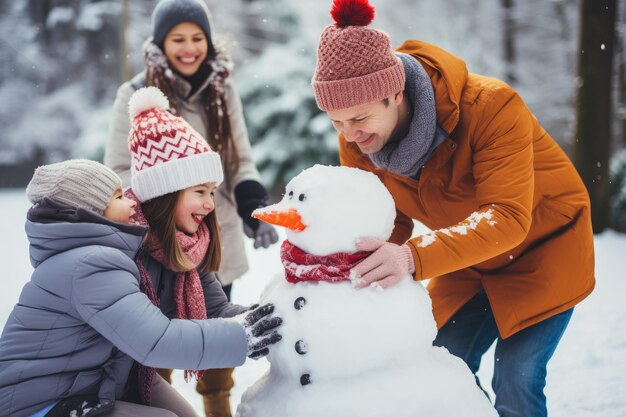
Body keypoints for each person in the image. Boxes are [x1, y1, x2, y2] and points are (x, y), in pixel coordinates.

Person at [310, 1, 595, 416]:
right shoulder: (359, 137)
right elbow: (384, 218)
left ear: (394, 93)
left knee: (517, 379)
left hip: (544, 251)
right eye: (336, 121)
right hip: (467, 260)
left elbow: (508, 217)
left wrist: (411, 257)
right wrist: (341, 270)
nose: (349, 135)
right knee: (439, 365)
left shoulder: (492, 108)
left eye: (357, 118)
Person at [0, 159, 282, 417]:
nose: (133, 203)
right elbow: (156, 341)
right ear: (92, 211)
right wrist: (245, 336)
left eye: (213, 192)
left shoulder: (169, 247)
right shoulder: (91, 263)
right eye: (119, 196)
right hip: (38, 400)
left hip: (97, 382)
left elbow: (215, 311)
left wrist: (275, 318)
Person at [105, 1, 278, 414]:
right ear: (160, 44)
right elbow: (118, 168)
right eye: (177, 39)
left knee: (218, 330)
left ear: (209, 41)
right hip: (158, 240)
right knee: (158, 348)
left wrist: (252, 201)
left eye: (197, 38)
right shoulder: (134, 94)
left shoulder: (223, 89)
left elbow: (241, 158)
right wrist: (163, 201)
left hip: (213, 237)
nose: (189, 48)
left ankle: (217, 406)